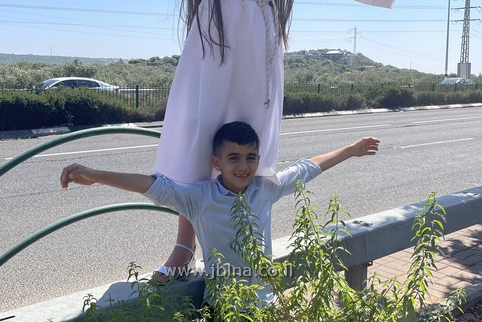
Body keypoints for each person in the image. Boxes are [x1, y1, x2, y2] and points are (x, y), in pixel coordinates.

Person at [43, 0, 441, 278]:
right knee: (199, 140)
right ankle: (183, 245)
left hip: (258, 51)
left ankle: (247, 242)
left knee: (247, 147)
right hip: (209, 47)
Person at [59, 121, 380, 299]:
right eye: (233, 158)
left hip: (264, 303)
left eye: (250, 158)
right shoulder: (199, 198)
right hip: (223, 308)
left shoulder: (265, 189)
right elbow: (151, 185)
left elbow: (306, 167)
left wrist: (351, 150)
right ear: (217, 162)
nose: (243, 166)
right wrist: (96, 175)